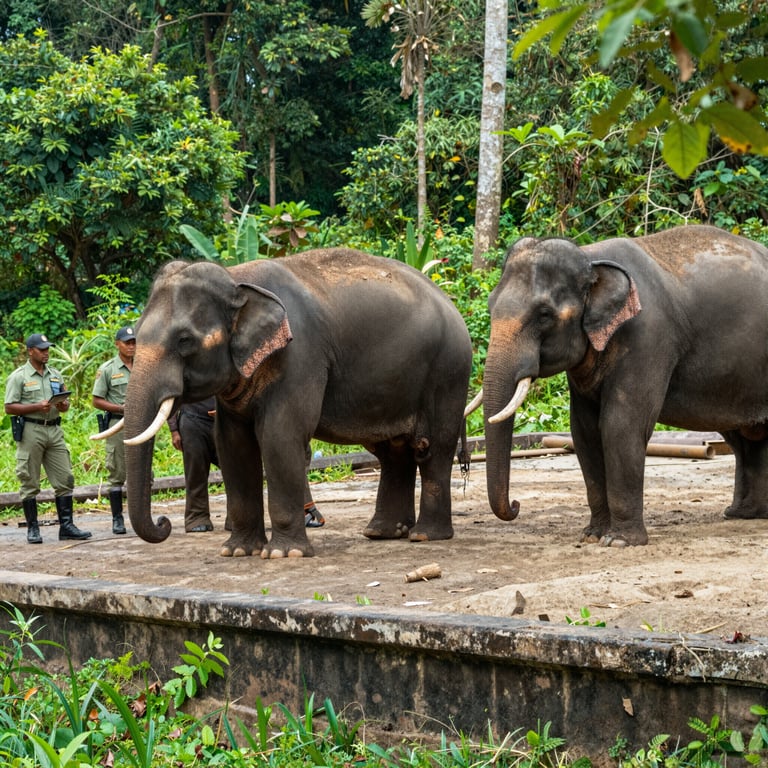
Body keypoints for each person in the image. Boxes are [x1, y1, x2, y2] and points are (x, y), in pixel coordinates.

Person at [168, 398, 324, 532]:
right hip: (193, 420)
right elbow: (171, 390)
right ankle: (197, 516)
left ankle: (239, 518)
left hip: (230, 419)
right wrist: (174, 428)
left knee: (239, 471)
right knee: (195, 471)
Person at [4, 333, 92, 544]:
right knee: (29, 479)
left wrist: (64, 405)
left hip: (54, 429)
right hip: (31, 430)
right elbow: (9, 407)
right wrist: (36, 406)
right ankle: (33, 529)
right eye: (42, 349)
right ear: (30, 351)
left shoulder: (55, 375)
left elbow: (65, 399)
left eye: (47, 349)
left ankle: (67, 526)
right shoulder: (19, 376)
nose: (46, 353)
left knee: (65, 478)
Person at [92, 326, 136, 534]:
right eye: (127, 342)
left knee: (143, 472)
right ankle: (117, 519)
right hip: (117, 425)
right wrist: (120, 408)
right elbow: (96, 400)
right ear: (117, 344)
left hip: (141, 424)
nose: (131, 346)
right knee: (117, 473)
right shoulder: (108, 369)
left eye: (134, 342)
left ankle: (140, 517)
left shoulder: (144, 366)